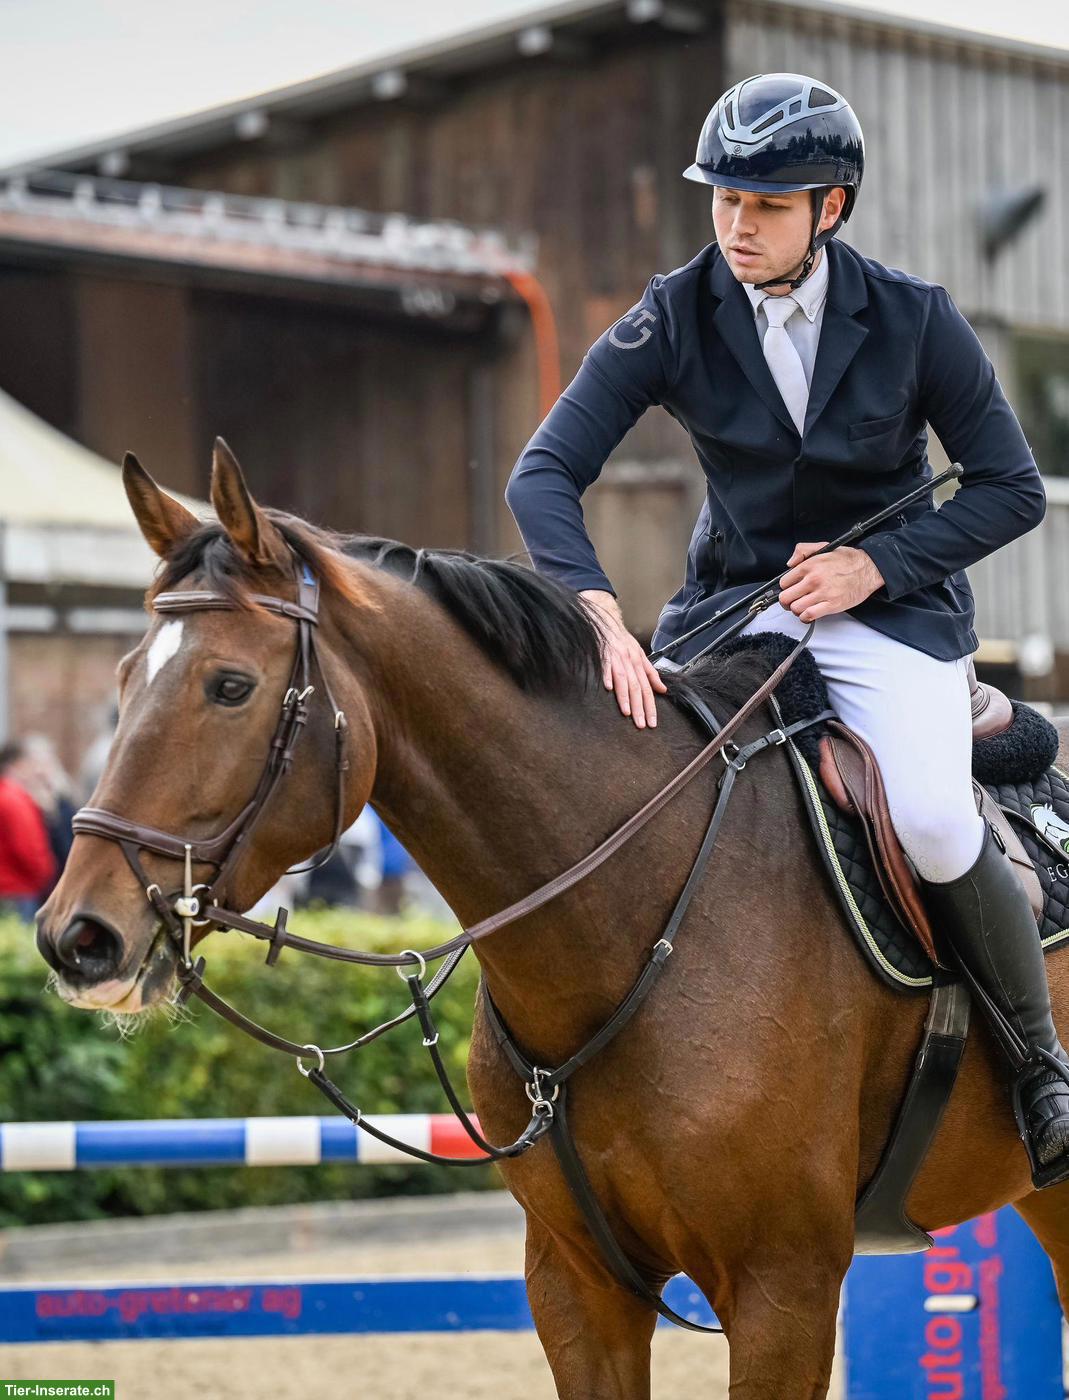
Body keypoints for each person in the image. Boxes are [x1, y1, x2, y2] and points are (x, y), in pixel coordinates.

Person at [504, 72, 1067, 1185]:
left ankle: (1038, 1065)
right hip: (731, 613)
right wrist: (597, 611)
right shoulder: (674, 312)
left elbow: (1010, 487)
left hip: (890, 617)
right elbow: (544, 473)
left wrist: (874, 565)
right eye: (724, 198)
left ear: (830, 207)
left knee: (933, 820)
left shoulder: (914, 317)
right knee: (632, 792)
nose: (736, 225)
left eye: (766, 204)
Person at [0, 740, 57, 921]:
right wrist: (48, 877)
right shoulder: (15, 800)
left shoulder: (8, 794)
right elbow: (29, 850)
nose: (37, 771)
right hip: (18, 893)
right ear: (19, 765)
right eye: (33, 764)